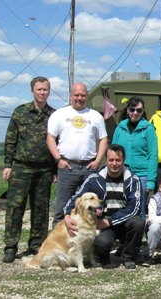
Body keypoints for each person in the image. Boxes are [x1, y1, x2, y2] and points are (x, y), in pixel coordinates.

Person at [63, 144, 145, 270]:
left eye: (118, 160)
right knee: (101, 243)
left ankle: (128, 257)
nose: (114, 163)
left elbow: (134, 208)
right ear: (106, 160)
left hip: (124, 222)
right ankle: (103, 257)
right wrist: (67, 215)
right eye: (111, 160)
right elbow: (77, 197)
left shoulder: (134, 180)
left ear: (123, 161)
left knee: (138, 222)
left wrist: (109, 221)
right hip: (103, 222)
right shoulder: (94, 179)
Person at [2, 77, 56, 263]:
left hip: (44, 169)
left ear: (49, 92)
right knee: (15, 207)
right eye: (39, 89)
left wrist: (55, 169)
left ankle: (36, 244)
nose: (42, 93)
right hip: (21, 167)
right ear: (32, 91)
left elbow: (58, 143)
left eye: (45, 90)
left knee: (40, 209)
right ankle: (10, 246)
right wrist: (8, 164)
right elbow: (11, 139)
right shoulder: (20, 112)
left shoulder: (54, 115)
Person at [47, 82, 108, 226]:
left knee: (91, 208)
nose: (79, 98)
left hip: (89, 168)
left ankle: (87, 241)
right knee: (62, 208)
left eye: (82, 95)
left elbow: (103, 139)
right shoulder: (60, 114)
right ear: (70, 96)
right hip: (67, 167)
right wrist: (58, 160)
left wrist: (98, 161)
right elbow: (50, 138)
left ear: (87, 96)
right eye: (76, 95)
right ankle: (60, 242)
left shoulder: (95, 116)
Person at [112, 96, 158, 211]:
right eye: (132, 109)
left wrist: (151, 181)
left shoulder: (149, 129)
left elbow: (153, 155)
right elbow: (112, 152)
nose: (135, 113)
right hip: (122, 174)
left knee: (139, 209)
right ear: (127, 110)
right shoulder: (120, 128)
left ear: (143, 112)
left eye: (139, 110)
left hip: (142, 176)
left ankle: (139, 228)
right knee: (120, 207)